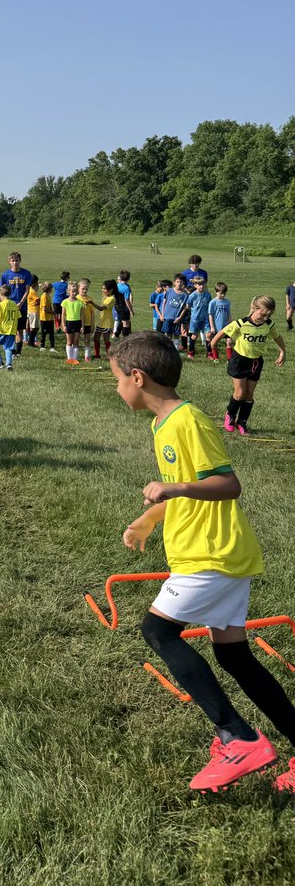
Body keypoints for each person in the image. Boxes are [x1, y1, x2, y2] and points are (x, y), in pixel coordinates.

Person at [111, 331, 295, 795]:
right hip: (214, 553)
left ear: (138, 377)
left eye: (117, 380)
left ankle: (237, 735)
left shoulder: (187, 421)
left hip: (210, 555)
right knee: (235, 657)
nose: (117, 389)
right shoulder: (162, 425)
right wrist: (150, 518)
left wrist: (174, 490)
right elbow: (181, 485)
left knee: (157, 631)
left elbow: (228, 485)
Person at [212, 295, 285, 436]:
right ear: (255, 308)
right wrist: (213, 344)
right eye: (263, 314)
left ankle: (242, 422)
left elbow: (277, 337)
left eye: (269, 314)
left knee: (249, 395)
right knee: (240, 394)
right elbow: (223, 332)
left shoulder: (269, 325)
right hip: (239, 361)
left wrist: (282, 351)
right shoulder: (241, 323)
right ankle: (230, 416)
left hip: (256, 362)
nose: (265, 317)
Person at [0, 253, 33, 357]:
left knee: (19, 329)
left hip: (21, 305)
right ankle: (10, 349)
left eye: (17, 260)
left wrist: (21, 303)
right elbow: (1, 292)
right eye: (13, 261)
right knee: (9, 329)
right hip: (9, 305)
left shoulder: (26, 274)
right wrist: (5, 303)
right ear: (9, 262)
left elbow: (27, 291)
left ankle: (17, 352)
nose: (15, 263)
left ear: (20, 260)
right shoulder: (5, 275)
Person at [0, 284, 21, 370]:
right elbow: (17, 317)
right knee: (8, 347)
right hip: (12, 330)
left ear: (0, 294)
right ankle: (9, 364)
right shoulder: (14, 304)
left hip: (2, 329)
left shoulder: (0, 305)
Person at [159, 274, 190, 351]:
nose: (179, 283)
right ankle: (167, 349)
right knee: (167, 334)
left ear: (184, 283)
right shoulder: (169, 291)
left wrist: (180, 317)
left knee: (176, 334)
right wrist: (162, 314)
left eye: (181, 282)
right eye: (178, 281)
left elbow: (184, 308)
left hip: (177, 318)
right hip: (167, 317)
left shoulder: (185, 295)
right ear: (174, 282)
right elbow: (164, 302)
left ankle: (175, 350)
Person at [185, 278, 211, 360]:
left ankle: (209, 353)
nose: (201, 286)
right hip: (195, 319)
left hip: (205, 319)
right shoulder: (192, 295)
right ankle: (191, 352)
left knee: (208, 335)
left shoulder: (208, 295)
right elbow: (188, 306)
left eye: (203, 284)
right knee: (194, 336)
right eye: (199, 285)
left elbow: (209, 305)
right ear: (195, 285)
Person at [208, 282, 232, 363]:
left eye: (224, 293)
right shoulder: (212, 302)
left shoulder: (227, 302)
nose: (223, 295)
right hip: (216, 327)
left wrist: (231, 324)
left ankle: (229, 359)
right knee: (214, 343)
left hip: (226, 326)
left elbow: (229, 313)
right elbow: (210, 315)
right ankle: (216, 358)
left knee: (229, 341)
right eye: (221, 293)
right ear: (216, 292)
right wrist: (212, 327)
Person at [92, 280, 117, 360]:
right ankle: (97, 355)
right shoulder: (105, 296)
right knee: (96, 337)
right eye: (102, 288)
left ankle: (110, 356)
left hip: (107, 323)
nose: (103, 290)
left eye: (105, 289)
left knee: (106, 339)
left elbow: (101, 308)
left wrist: (91, 303)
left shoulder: (112, 299)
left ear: (111, 290)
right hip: (101, 322)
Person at [61, 281, 84, 365]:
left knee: (76, 341)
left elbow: (82, 315)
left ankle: (75, 359)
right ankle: (69, 358)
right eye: (72, 291)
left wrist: (82, 326)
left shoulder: (80, 302)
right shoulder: (65, 302)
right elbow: (63, 315)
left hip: (77, 323)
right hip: (69, 323)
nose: (74, 293)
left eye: (75, 291)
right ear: (69, 291)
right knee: (69, 342)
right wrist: (63, 325)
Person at [77, 278, 98, 363]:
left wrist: (92, 324)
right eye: (83, 289)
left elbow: (92, 313)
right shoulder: (76, 298)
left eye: (86, 289)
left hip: (87, 323)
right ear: (78, 288)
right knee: (76, 339)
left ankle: (87, 356)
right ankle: (75, 355)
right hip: (77, 322)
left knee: (87, 340)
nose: (85, 291)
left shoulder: (89, 299)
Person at [114, 270, 134, 337]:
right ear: (128, 279)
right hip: (123, 307)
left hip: (117, 306)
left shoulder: (117, 285)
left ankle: (116, 334)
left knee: (122, 321)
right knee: (126, 324)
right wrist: (131, 310)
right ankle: (125, 339)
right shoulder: (126, 288)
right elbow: (126, 300)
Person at [38, 281, 56, 352]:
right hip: (44, 319)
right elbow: (44, 309)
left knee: (51, 333)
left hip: (50, 318)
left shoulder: (48, 296)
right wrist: (53, 312)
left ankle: (52, 347)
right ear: (49, 289)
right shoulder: (44, 297)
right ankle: (42, 346)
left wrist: (53, 313)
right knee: (43, 333)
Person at [24, 276, 40, 348]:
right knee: (34, 327)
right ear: (35, 283)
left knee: (32, 327)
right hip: (34, 311)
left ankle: (30, 341)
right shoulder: (33, 292)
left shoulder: (29, 289)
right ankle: (31, 342)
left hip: (30, 310)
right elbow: (39, 300)